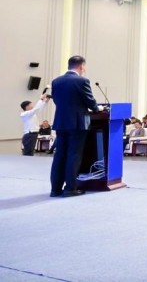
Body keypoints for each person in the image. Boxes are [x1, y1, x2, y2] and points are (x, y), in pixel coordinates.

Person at [50, 55, 101, 198]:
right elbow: (90, 101)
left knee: (59, 155)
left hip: (61, 122)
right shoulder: (82, 81)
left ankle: (55, 189)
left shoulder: (56, 81)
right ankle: (70, 188)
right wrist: (97, 108)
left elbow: (56, 100)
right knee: (74, 155)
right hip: (77, 123)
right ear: (81, 66)